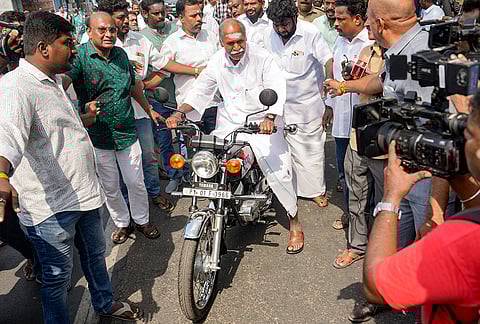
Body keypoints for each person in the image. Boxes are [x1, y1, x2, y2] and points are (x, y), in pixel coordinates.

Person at [0, 11, 142, 322]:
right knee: (56, 279)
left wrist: (83, 116)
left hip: (84, 195)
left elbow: (54, 130)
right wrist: (1, 175)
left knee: (95, 259)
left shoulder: (54, 80)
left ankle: (104, 304)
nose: (73, 49)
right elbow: (7, 135)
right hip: (51, 208)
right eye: (67, 43)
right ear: (43, 48)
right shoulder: (16, 87)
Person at [166, 19, 305, 254]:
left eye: (240, 41)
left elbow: (277, 87)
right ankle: (218, 211)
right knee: (211, 163)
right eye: (230, 43)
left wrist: (270, 118)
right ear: (221, 43)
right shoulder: (217, 61)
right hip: (229, 123)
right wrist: (180, 112)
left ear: (246, 38)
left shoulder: (262, 57)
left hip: (262, 124)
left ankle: (294, 222)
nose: (236, 47)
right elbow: (201, 90)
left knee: (279, 171)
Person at [362, 89, 480, 324]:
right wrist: (463, 184)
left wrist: (390, 198)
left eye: (466, 132)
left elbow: (375, 287)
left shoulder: (460, 242)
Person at [63, 12, 163, 244]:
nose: (108, 34)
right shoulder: (80, 59)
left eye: (112, 30)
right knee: (110, 186)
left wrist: (149, 109)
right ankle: (122, 223)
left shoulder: (120, 55)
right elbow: (61, 85)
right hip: (99, 137)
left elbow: (133, 86)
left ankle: (141, 220)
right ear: (89, 31)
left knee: (135, 181)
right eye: (102, 30)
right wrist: (78, 112)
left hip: (127, 132)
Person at [93, 0, 175, 211]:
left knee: (148, 156)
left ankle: (154, 193)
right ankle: (127, 207)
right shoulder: (94, 43)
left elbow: (164, 66)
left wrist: (144, 85)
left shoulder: (140, 41)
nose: (126, 21)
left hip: (140, 112)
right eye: (120, 18)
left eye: (126, 15)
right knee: (120, 165)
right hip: (111, 117)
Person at [264, 0, 332, 209]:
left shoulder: (310, 33)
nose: (281, 29)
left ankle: (314, 191)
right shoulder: (268, 34)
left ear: (294, 18)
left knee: (310, 153)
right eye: (277, 24)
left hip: (307, 105)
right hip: (277, 105)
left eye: (284, 23)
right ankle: (283, 189)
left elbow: (328, 62)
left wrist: (329, 101)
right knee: (278, 150)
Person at [324, 0, 374, 240]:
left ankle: (370, 219)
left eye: (340, 18)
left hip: (366, 121)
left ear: (357, 19)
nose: (336, 23)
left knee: (369, 174)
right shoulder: (339, 41)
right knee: (345, 173)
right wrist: (329, 108)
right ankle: (350, 214)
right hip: (343, 120)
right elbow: (335, 78)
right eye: (335, 18)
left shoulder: (372, 42)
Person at [160, 0, 220, 132]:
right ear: (181, 18)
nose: (199, 19)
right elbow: (163, 67)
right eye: (193, 16)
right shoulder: (172, 43)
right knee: (194, 152)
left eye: (200, 15)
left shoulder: (210, 36)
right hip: (189, 113)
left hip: (215, 106)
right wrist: (195, 71)